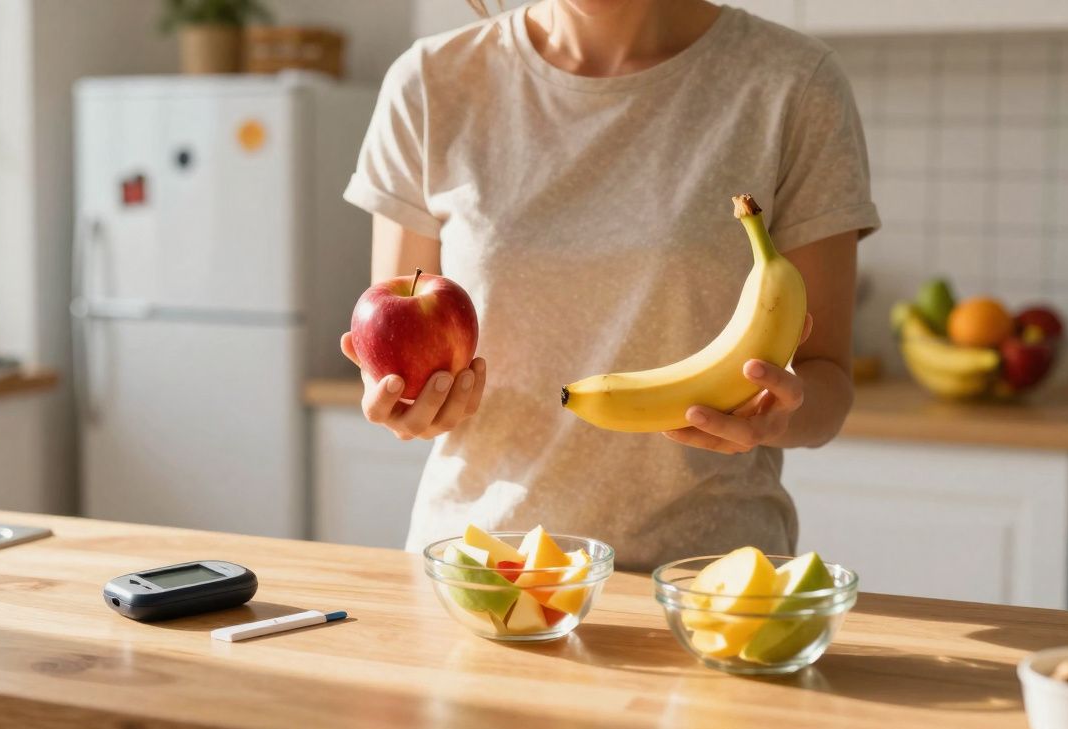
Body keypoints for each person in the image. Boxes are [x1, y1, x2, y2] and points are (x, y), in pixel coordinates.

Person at [341, 0, 880, 570]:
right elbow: (398, 351)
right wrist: (408, 406)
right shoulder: (429, 84)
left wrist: (781, 413)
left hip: (707, 586)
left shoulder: (794, 83)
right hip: (482, 572)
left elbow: (829, 383)